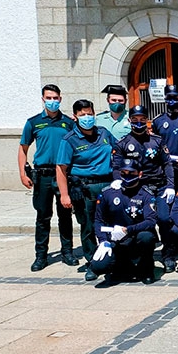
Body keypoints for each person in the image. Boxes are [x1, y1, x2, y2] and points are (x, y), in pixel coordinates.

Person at [56, 99, 117, 281]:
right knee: (89, 226)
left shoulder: (104, 133)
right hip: (85, 188)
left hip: (107, 184)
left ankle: (113, 260)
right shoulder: (69, 140)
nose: (87, 118)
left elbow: (119, 151)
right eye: (82, 115)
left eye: (89, 114)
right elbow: (61, 169)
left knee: (112, 224)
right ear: (75, 117)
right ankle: (92, 262)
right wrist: (64, 194)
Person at [18, 84, 78, 272]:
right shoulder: (33, 122)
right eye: (48, 98)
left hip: (63, 174)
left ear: (60, 99)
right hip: (42, 175)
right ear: (43, 99)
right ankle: (41, 256)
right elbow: (23, 147)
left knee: (65, 215)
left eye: (55, 98)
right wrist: (22, 172)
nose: (52, 101)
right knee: (43, 217)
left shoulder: (68, 122)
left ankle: (67, 252)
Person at [113, 104, 176, 272]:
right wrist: (117, 181)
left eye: (142, 120)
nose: (139, 123)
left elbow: (167, 163)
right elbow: (117, 167)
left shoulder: (157, 140)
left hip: (160, 186)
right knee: (138, 221)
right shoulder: (123, 143)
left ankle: (168, 254)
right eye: (135, 120)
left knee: (164, 219)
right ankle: (138, 254)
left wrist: (170, 186)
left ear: (147, 121)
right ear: (130, 121)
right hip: (138, 188)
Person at [91, 159, 158, 284]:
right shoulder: (108, 193)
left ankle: (146, 269)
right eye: (124, 172)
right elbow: (98, 220)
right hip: (115, 239)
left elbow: (151, 221)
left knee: (147, 237)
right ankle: (124, 267)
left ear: (140, 174)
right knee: (98, 266)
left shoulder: (146, 194)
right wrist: (103, 240)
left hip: (135, 237)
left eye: (131, 173)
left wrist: (127, 230)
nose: (127, 176)